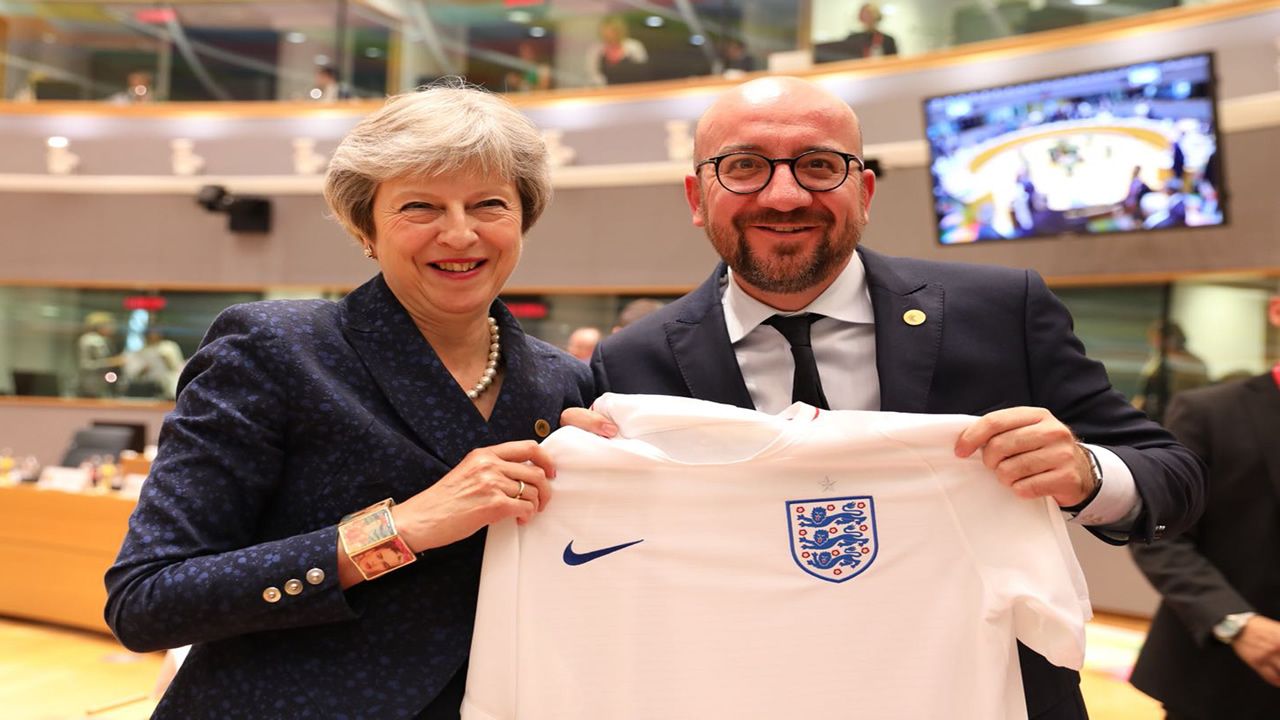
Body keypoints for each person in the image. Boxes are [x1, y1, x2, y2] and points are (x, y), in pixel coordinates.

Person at [566, 77, 1205, 719]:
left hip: (981, 694)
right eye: (744, 167)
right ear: (697, 197)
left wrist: (1087, 472)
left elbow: (1172, 475)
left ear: (864, 192)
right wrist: (575, 483)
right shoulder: (633, 362)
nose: (784, 195)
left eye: (820, 165)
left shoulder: (1002, 311)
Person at [104, 82, 594, 719]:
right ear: (366, 228)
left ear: (522, 220)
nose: (459, 232)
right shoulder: (273, 349)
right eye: (420, 207)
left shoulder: (565, 385)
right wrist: (398, 529)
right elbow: (147, 601)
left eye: (489, 204)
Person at [1128, 294, 1280, 719]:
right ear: (1276, 311)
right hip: (1223, 678)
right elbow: (1160, 534)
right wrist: (1236, 621)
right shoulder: (1209, 412)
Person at [1134, 319, 1210, 424]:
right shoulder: (1196, 361)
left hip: (1172, 416)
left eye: (1156, 338)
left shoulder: (1169, 362)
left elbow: (1146, 395)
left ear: (1170, 339)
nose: (1153, 342)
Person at [585, 15, 649, 86]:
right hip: (607, 88)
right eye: (605, 32)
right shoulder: (595, 50)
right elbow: (593, 73)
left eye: (612, 31)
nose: (608, 35)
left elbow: (643, 70)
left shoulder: (634, 46)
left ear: (619, 31)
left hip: (633, 86)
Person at [125, 327, 185, 400]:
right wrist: (143, 369)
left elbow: (177, 365)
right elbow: (134, 372)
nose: (153, 336)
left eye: (155, 334)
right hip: (151, 383)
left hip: (170, 378)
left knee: (172, 381)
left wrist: (166, 359)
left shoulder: (169, 346)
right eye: (150, 334)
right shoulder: (144, 351)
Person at [77, 311, 124, 398]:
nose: (112, 328)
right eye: (108, 325)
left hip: (103, 383)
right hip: (91, 384)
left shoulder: (105, 340)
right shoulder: (91, 340)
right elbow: (86, 364)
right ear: (98, 326)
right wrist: (112, 362)